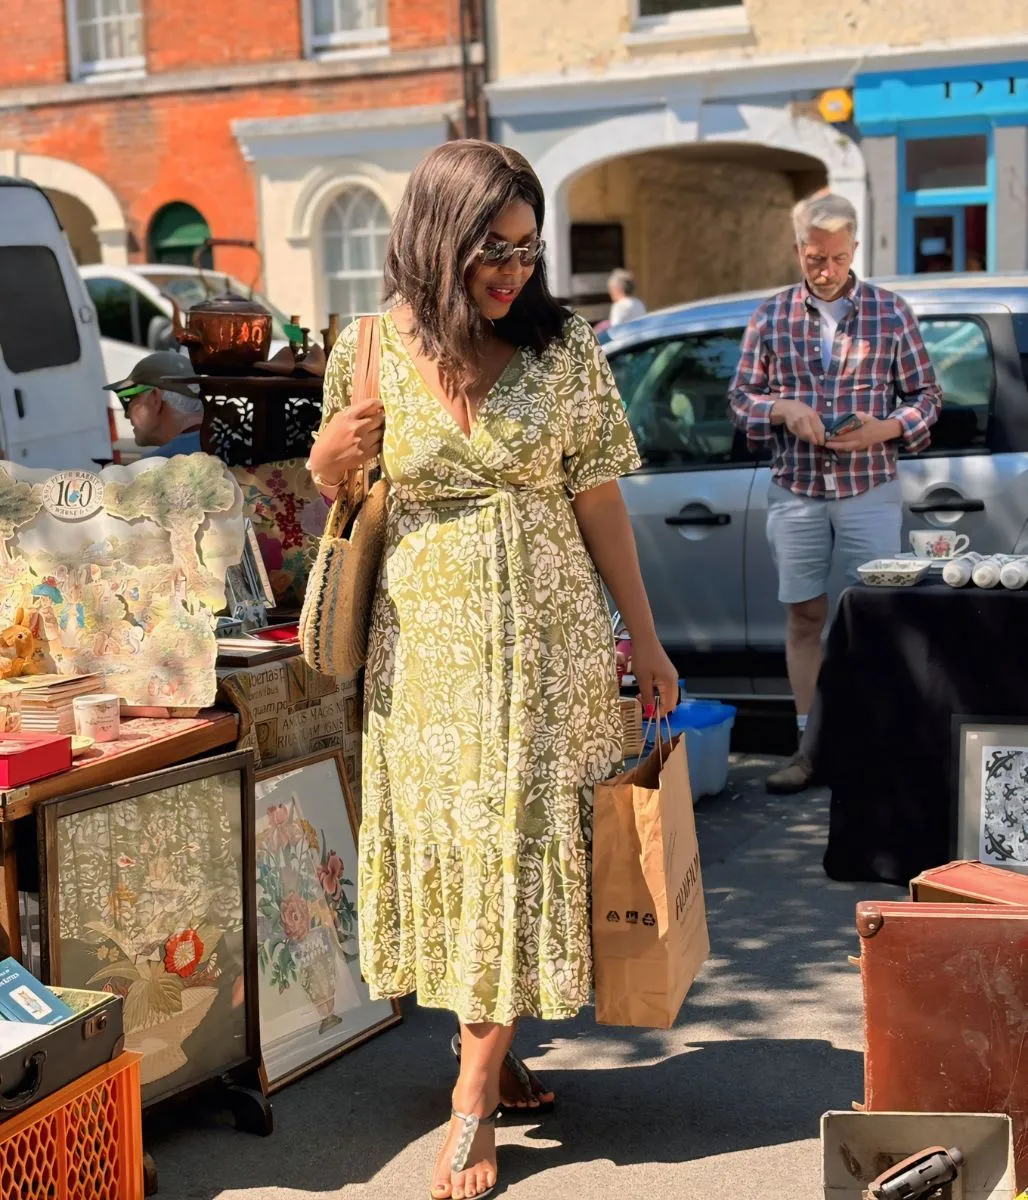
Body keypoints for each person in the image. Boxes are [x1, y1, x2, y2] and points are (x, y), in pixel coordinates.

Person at [307, 139, 677, 1200]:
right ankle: (491, 1043)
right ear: (438, 239)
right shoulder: (368, 347)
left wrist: (641, 639)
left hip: (547, 653)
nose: (512, 271)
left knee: (513, 845)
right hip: (421, 657)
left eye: (525, 248)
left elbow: (598, 496)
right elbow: (339, 486)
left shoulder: (565, 350)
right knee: (454, 849)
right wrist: (330, 463)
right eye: (490, 250)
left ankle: (470, 1100)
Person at [728, 192, 941, 795]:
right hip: (795, 489)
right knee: (804, 617)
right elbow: (741, 399)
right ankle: (810, 746)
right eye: (815, 258)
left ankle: (874, 747)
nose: (826, 270)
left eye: (838, 257)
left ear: (855, 248)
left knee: (875, 617)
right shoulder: (770, 317)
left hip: (868, 486)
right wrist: (782, 408)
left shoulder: (890, 312)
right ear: (798, 249)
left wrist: (887, 428)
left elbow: (927, 394)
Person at [103, 351, 204, 456]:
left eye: (128, 398)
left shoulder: (157, 465)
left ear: (154, 398)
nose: (127, 415)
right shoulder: (219, 444)